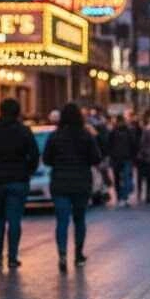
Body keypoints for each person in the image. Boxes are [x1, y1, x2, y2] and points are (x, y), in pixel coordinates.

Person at [0, 97, 40, 270]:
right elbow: (34, 155)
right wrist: (28, 171)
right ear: (18, 112)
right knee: (14, 220)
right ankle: (12, 256)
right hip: (18, 179)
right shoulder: (24, 131)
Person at [43, 103, 102, 272]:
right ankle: (78, 255)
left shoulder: (55, 136)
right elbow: (96, 158)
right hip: (81, 183)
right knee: (79, 220)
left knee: (62, 221)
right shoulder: (86, 135)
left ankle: (62, 254)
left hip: (60, 182)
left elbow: (47, 159)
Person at [108, 113, 138, 207]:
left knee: (120, 178)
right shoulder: (128, 131)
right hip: (124, 158)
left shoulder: (114, 131)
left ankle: (121, 197)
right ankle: (123, 197)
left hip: (118, 158)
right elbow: (134, 144)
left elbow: (109, 144)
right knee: (124, 178)